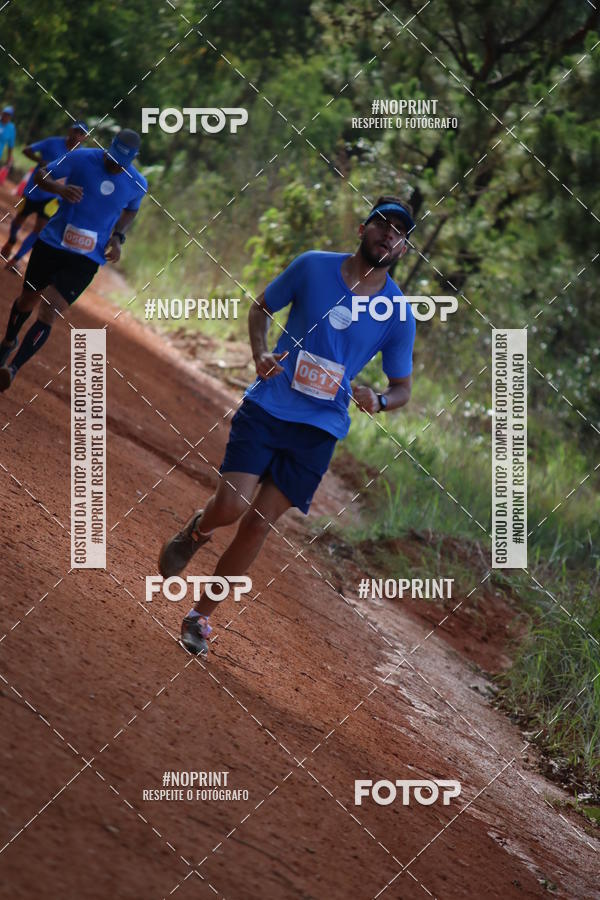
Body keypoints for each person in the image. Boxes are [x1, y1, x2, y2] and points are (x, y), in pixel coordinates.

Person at [158, 196, 417, 654]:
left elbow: (402, 389)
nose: (388, 235)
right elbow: (261, 307)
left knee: (258, 524)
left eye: (399, 233)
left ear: (403, 250)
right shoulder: (313, 267)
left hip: (319, 428)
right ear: (363, 228)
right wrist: (260, 352)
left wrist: (377, 399)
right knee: (232, 506)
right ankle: (198, 529)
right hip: (270, 405)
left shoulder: (398, 313)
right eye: (382, 224)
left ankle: (200, 617)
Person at [0, 129, 147, 391]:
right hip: (52, 244)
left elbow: (131, 211)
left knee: (50, 309)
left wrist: (118, 237)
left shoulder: (137, 183)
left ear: (133, 159)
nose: (114, 166)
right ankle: (8, 343)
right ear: (109, 148)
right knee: (28, 300)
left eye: (120, 163)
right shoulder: (81, 158)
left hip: (88, 257)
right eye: (112, 159)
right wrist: (59, 187)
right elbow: (41, 173)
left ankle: (12, 369)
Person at [1, 121, 90, 269]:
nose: (77, 136)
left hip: (54, 198)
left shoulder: (82, 156)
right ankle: (11, 241)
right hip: (33, 190)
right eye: (76, 131)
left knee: (39, 229)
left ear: (85, 137)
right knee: (18, 220)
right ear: (70, 131)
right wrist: (41, 162)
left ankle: (16, 259)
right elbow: (27, 150)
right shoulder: (52, 142)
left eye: (82, 133)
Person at [0, 106, 16, 174]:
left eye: (8, 115)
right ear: (2, 113)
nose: (5, 116)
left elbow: (11, 145)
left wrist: (8, 159)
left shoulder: (11, 128)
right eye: (5, 113)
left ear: (10, 117)